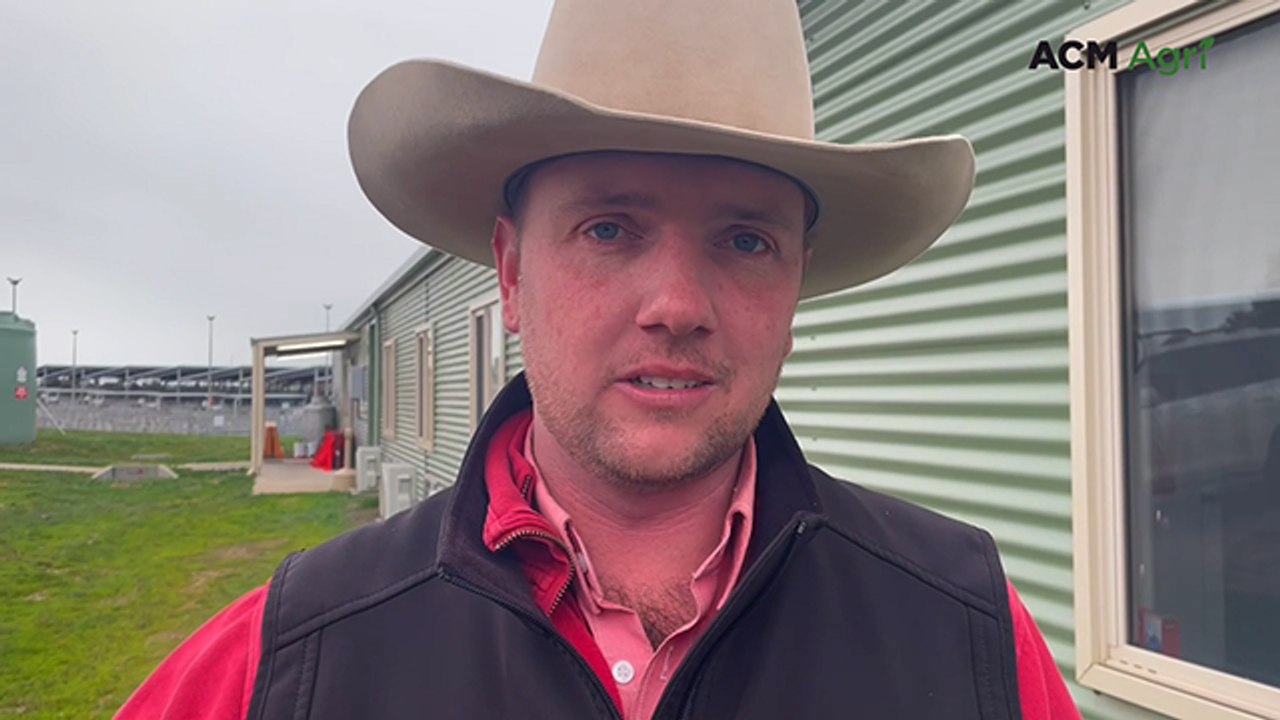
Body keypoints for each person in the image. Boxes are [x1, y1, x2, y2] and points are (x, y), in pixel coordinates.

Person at [118, 1, 1081, 718]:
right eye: (610, 228)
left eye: (747, 241)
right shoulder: (287, 662)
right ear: (509, 269)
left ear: (795, 289)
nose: (676, 308)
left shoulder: (967, 633)